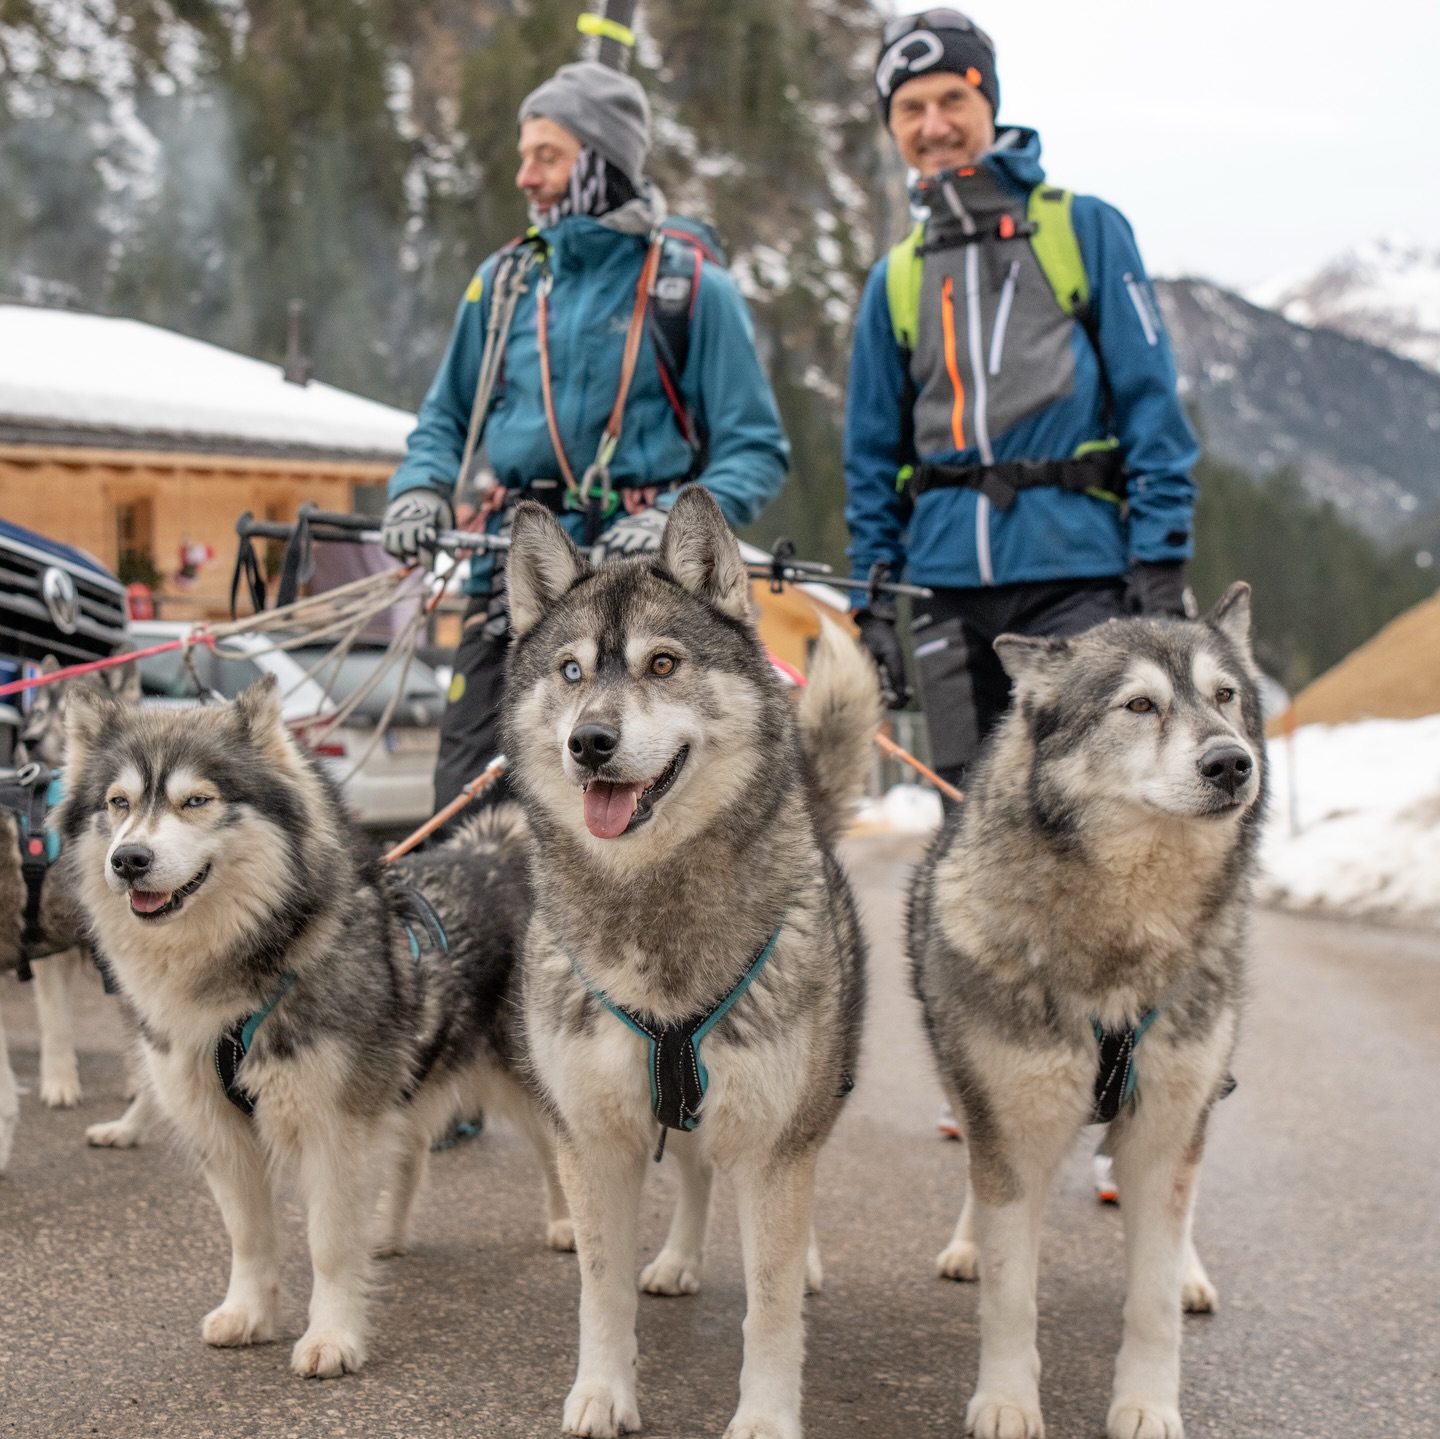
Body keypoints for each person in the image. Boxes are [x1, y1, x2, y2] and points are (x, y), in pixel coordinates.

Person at [383, 61, 789, 811]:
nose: (524, 176)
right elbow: (444, 418)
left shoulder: (692, 289)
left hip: (642, 591)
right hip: (517, 578)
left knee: (620, 807)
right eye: (524, 153)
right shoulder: (505, 283)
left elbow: (755, 448)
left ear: (600, 162)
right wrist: (418, 488)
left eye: (547, 155)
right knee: (464, 805)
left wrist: (671, 522)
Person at [845, 10, 1199, 797]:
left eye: (951, 101)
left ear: (988, 104)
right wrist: (869, 608)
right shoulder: (895, 280)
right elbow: (871, 460)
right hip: (941, 589)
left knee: (1093, 814)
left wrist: (1162, 561)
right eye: (910, 108)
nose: (934, 125)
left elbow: (1152, 410)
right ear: (893, 124)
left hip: (1079, 578)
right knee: (967, 830)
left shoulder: (1083, 230)